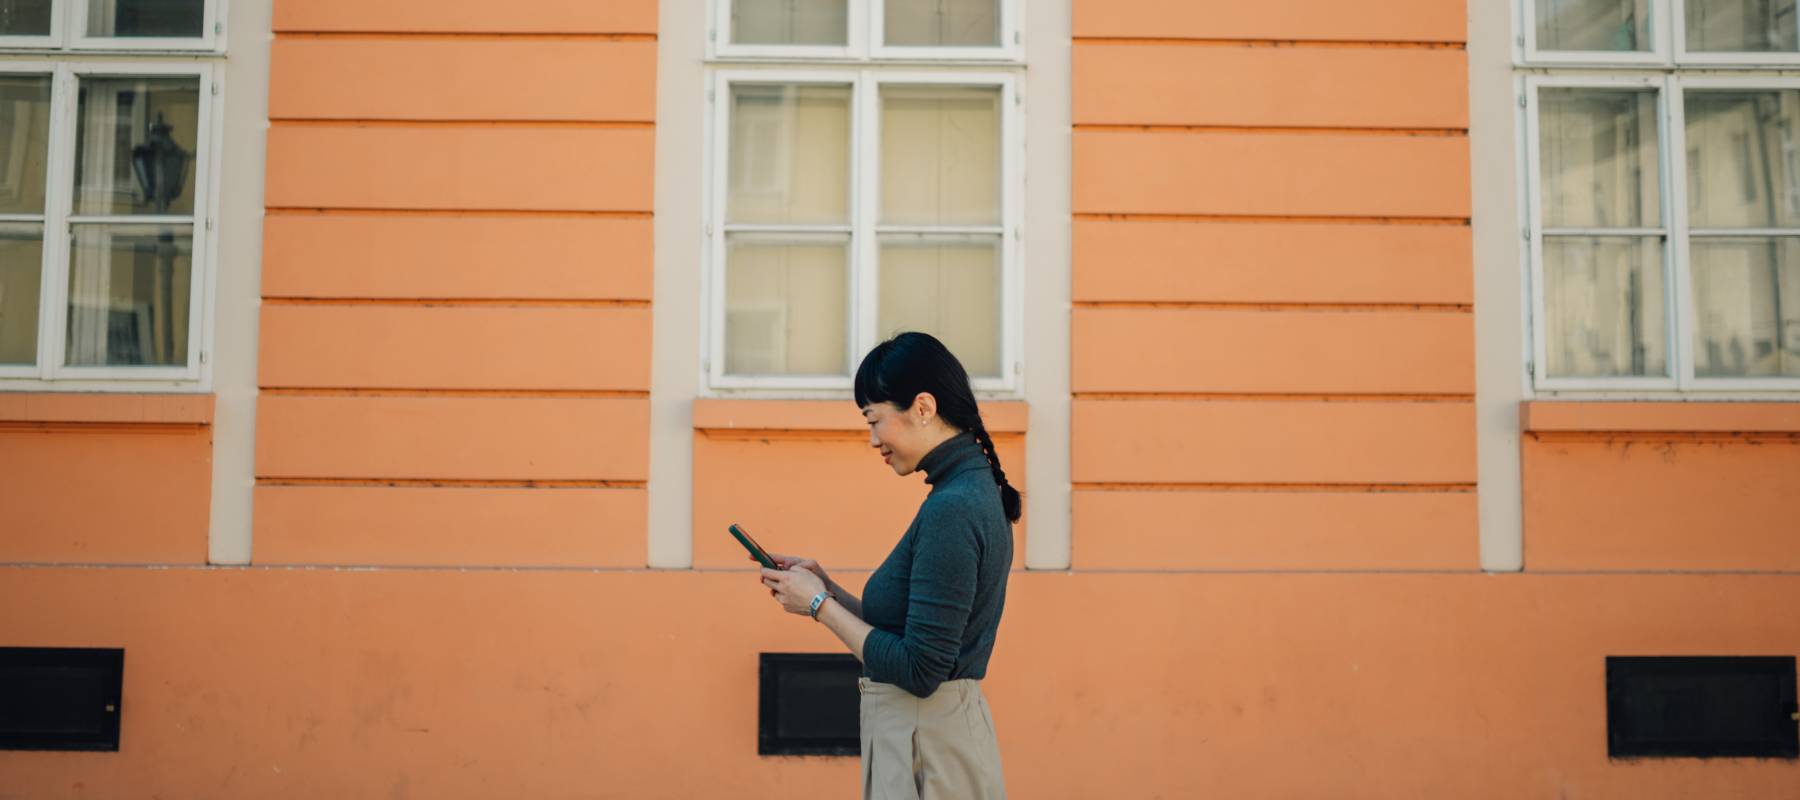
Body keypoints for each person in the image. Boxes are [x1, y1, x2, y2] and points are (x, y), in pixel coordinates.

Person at [760, 331, 1020, 800]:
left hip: (928, 746)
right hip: (934, 739)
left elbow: (920, 669)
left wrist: (818, 604)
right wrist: (827, 589)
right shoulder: (965, 493)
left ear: (923, 407)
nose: (873, 439)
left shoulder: (953, 508)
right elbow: (907, 635)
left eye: (875, 419)